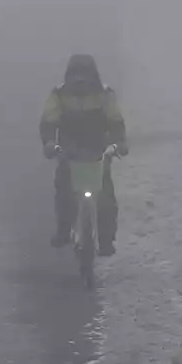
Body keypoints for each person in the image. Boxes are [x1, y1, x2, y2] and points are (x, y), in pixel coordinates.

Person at [39, 53, 128, 254]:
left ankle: (106, 239)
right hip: (69, 152)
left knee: (105, 197)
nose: (80, 80)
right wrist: (50, 143)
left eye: (84, 75)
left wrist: (119, 142)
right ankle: (64, 229)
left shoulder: (105, 94)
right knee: (64, 191)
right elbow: (49, 122)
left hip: (98, 152)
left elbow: (115, 122)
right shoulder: (59, 95)